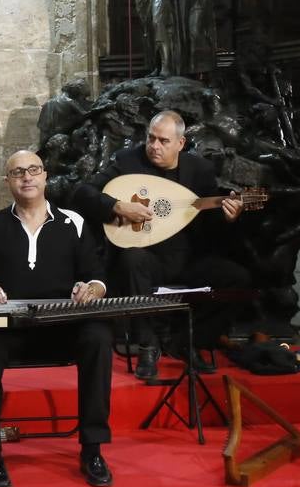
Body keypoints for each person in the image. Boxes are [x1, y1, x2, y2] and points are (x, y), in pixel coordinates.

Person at [0, 150, 114, 487]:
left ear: (45, 176)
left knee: (98, 336)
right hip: (11, 331)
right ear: (7, 182)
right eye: (17, 173)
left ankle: (92, 449)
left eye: (33, 170)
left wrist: (91, 288)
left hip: (63, 328)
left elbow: (98, 278)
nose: (26, 177)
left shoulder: (74, 223)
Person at [72, 109, 251, 380]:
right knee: (131, 258)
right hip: (146, 258)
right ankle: (148, 344)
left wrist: (230, 217)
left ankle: (188, 341)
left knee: (239, 278)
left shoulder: (200, 171)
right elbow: (82, 194)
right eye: (151, 138)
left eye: (163, 141)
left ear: (180, 143)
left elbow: (210, 226)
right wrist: (117, 206)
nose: (154, 146)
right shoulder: (127, 161)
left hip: (188, 260)